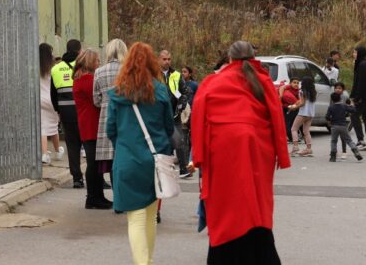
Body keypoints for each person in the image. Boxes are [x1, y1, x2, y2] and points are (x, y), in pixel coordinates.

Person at [190, 41, 290, 265]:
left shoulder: (212, 81)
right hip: (257, 148)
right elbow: (277, 119)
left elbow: (198, 116)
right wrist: (282, 155)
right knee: (255, 202)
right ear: (253, 56)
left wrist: (198, 158)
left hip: (221, 148)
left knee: (226, 206)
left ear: (229, 58)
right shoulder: (263, 81)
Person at [107, 42, 174, 265]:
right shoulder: (160, 91)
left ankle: (143, 263)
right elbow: (169, 128)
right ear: (152, 62)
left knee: (135, 218)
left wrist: (125, 146)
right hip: (154, 161)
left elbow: (111, 129)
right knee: (150, 215)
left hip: (127, 160)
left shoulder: (117, 93)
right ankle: (148, 260)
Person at [73, 48, 111, 210]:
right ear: (90, 62)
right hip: (92, 125)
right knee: (93, 164)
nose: (99, 63)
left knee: (94, 162)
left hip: (87, 124)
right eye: (97, 61)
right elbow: (99, 97)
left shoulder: (80, 79)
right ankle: (93, 197)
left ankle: (97, 196)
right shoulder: (88, 80)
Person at [93, 38, 127, 184]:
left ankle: (117, 197)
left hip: (106, 117)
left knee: (112, 161)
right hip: (126, 116)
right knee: (125, 158)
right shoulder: (128, 70)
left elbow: (96, 99)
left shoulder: (99, 72)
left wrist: (106, 102)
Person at [51, 39, 84, 188]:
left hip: (66, 113)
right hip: (83, 112)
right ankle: (96, 178)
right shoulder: (82, 67)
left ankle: (77, 178)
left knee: (72, 145)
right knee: (89, 145)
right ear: (78, 51)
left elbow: (53, 94)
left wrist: (58, 111)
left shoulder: (56, 68)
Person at [158, 50, 190, 178]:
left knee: (180, 141)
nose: (167, 61)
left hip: (174, 114)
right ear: (159, 60)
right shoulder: (153, 74)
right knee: (161, 142)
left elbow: (186, 91)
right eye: (164, 59)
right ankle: (162, 169)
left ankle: (184, 168)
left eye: (169, 59)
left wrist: (183, 101)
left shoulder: (176, 75)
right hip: (159, 114)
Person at [39, 43, 64, 164]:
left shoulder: (36, 67)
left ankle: (44, 154)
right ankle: (57, 151)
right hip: (52, 99)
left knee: (43, 126)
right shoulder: (53, 67)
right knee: (53, 126)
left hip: (40, 99)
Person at [350, 45, 366, 150]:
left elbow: (361, 83)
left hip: (364, 97)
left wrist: (357, 98)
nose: (353, 54)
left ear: (360, 53)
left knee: (354, 115)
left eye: (355, 52)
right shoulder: (362, 63)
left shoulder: (363, 65)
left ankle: (361, 140)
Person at [326, 92, 363, 162]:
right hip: (343, 126)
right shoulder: (344, 106)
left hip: (334, 126)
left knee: (333, 141)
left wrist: (329, 122)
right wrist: (352, 105)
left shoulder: (331, 107)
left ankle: (333, 157)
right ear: (340, 98)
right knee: (349, 140)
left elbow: (327, 116)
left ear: (332, 99)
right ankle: (356, 152)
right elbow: (353, 110)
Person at [289, 76, 317, 157]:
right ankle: (309, 149)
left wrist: (293, 107)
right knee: (306, 131)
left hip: (303, 113)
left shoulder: (302, 91)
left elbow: (303, 103)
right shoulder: (313, 92)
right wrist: (298, 103)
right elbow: (303, 101)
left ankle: (295, 147)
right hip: (310, 114)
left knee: (294, 129)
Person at [278, 78, 300, 142]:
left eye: (297, 83)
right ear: (290, 83)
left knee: (293, 123)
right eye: (294, 82)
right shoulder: (288, 87)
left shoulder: (298, 91)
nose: (296, 84)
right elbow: (282, 87)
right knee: (287, 123)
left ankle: (292, 136)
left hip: (294, 108)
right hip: (287, 108)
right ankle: (290, 137)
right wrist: (281, 95)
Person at [333, 82, 351, 158]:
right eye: (336, 88)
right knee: (334, 137)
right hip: (336, 119)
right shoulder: (333, 95)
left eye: (339, 88)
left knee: (343, 136)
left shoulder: (345, 96)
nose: (337, 90)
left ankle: (344, 152)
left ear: (343, 89)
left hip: (344, 119)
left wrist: (347, 114)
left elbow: (349, 106)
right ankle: (334, 151)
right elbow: (331, 106)